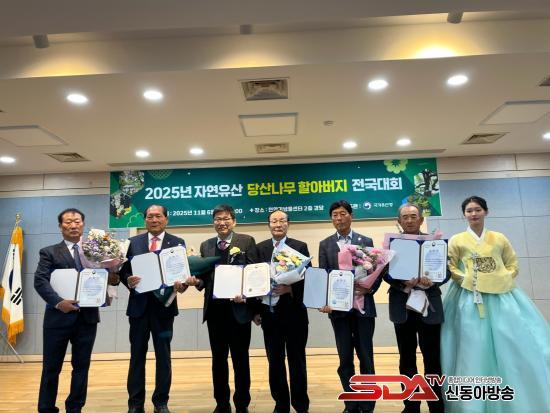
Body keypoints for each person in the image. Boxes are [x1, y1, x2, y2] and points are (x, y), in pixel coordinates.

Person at [441, 195, 550, 413]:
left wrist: (500, 279)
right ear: (464, 215)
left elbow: (512, 264)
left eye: (478, 209)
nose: (474, 214)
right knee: (472, 344)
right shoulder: (457, 240)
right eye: (469, 210)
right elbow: (451, 266)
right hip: (468, 297)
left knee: (511, 341)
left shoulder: (499, 238)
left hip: (501, 297)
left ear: (486, 212)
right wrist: (467, 280)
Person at [34, 208, 109, 413]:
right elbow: (40, 281)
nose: (73, 225)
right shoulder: (49, 252)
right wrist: (59, 302)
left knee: (81, 367)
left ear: (83, 224)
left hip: (87, 318)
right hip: (57, 318)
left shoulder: (96, 251)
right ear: (60, 226)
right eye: (68, 222)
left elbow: (105, 277)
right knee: (51, 367)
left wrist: (111, 278)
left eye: (77, 221)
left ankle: (75, 408)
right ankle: (46, 408)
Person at [119, 204, 189, 413]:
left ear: (166, 219)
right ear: (145, 220)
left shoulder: (177, 243)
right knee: (136, 357)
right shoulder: (132, 243)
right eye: (150, 216)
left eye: (158, 216)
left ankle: (161, 402)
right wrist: (127, 280)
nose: (154, 220)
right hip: (138, 309)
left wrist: (182, 285)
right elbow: (123, 272)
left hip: (164, 309)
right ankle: (135, 403)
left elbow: (183, 274)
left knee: (163, 357)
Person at [383, 203, 447, 413]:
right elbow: (383, 273)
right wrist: (402, 282)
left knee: (433, 360)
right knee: (406, 359)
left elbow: (446, 272)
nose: (409, 220)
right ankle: (411, 406)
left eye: (413, 216)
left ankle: (436, 406)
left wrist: (433, 281)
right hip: (403, 308)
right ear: (399, 221)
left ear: (421, 219)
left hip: (430, 308)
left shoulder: (434, 243)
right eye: (405, 217)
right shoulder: (391, 245)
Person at [318, 200, 381, 413]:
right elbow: (324, 276)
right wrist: (325, 301)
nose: (339, 218)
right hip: (339, 311)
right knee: (345, 359)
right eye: (335, 214)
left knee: (366, 358)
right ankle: (351, 403)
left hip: (364, 308)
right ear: (331, 219)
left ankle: (368, 405)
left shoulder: (365, 241)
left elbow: (376, 271)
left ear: (351, 216)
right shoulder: (325, 244)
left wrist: (368, 290)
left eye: (343, 213)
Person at [196, 204, 258, 413]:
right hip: (215, 312)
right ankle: (222, 403)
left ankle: (242, 404)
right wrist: (195, 282)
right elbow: (204, 279)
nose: (221, 222)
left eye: (226, 219)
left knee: (241, 360)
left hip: (239, 311)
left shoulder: (246, 241)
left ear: (234, 221)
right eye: (218, 219)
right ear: (213, 222)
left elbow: (253, 273)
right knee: (218, 360)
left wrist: (247, 295)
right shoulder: (206, 245)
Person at [255, 209, 310, 413]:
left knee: (297, 361)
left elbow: (309, 279)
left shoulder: (300, 246)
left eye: (282, 221)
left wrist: (290, 289)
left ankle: (301, 404)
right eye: (274, 221)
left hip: (295, 314)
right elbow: (253, 279)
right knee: (275, 362)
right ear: (268, 224)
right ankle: (281, 404)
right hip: (270, 315)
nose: (278, 224)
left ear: (288, 223)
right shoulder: (259, 248)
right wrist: (255, 311)